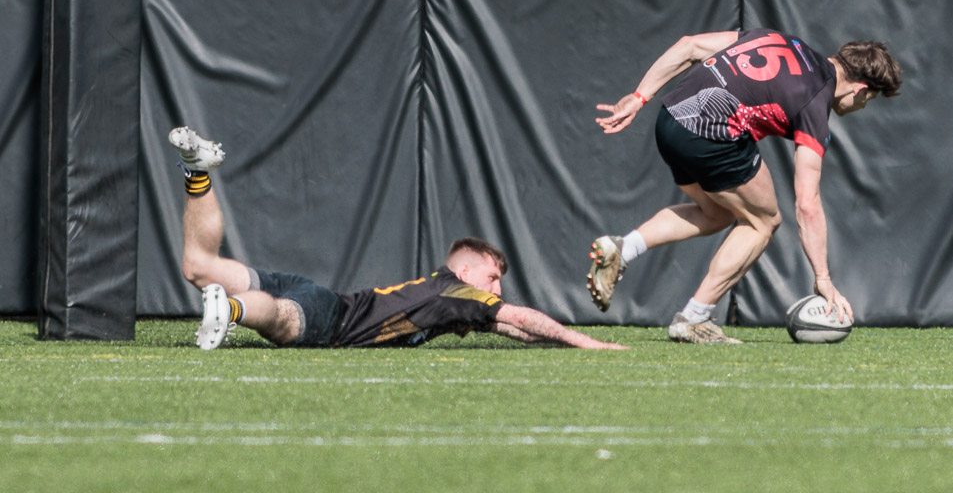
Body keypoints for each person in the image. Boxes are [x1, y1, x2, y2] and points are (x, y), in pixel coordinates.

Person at [168, 126, 626, 351]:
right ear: (466, 270)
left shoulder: (450, 301)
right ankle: (228, 309)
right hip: (334, 318)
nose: (497, 290)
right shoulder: (454, 290)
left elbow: (510, 328)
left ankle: (197, 173)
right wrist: (588, 342)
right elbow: (522, 318)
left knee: (199, 267)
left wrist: (558, 341)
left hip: (320, 293)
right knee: (284, 321)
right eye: (492, 277)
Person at [587, 29, 901, 344]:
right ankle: (694, 318)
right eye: (869, 100)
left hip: (670, 120)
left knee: (717, 214)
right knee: (763, 221)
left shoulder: (781, 39)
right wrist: (823, 279)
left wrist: (640, 96)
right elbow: (807, 203)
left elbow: (689, 46)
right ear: (861, 90)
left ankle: (623, 249)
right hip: (710, 133)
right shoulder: (816, 102)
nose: (862, 106)